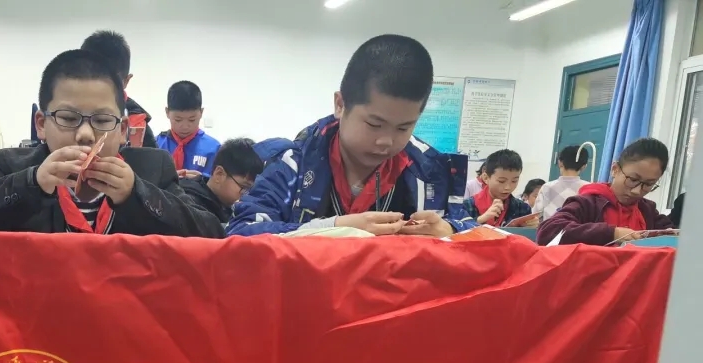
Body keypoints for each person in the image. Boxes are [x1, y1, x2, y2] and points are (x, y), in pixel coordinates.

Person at [0, 49, 223, 238]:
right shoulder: (17, 167)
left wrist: (136, 194)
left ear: (123, 130)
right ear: (41, 124)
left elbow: (211, 232)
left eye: (102, 120)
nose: (86, 134)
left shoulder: (152, 169)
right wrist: (32, 183)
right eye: (68, 118)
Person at [227, 35, 474, 237]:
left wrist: (450, 231)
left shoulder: (432, 172)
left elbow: (475, 230)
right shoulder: (292, 164)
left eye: (403, 128)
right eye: (374, 124)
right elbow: (240, 233)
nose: (386, 141)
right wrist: (332, 229)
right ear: (340, 104)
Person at [537, 137, 675, 246]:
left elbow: (670, 232)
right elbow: (548, 231)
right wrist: (613, 233)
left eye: (648, 184)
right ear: (615, 169)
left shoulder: (646, 210)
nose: (637, 191)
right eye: (633, 179)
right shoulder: (589, 203)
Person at [81, 30, 157, 149]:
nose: (99, 91)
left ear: (126, 81)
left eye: (109, 83)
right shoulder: (57, 115)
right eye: (90, 80)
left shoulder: (139, 124)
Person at [179, 138, 264, 225]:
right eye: (244, 187)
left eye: (251, 190)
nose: (247, 195)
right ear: (219, 174)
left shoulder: (228, 206)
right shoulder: (190, 207)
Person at [157, 81, 221, 178]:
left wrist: (202, 180)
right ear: (167, 112)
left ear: (201, 112)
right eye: (178, 120)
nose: (185, 126)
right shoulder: (156, 145)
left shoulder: (214, 149)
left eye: (192, 120)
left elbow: (221, 182)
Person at [462, 149, 532, 227]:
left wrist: (531, 227)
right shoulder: (467, 206)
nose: (508, 187)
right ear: (486, 178)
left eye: (514, 181)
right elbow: (457, 230)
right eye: (501, 181)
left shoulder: (522, 209)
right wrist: (480, 220)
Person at [533, 145, 589, 221]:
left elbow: (535, 216)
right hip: (578, 228)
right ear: (584, 166)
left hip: (550, 227)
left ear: (559, 162)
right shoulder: (589, 188)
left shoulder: (547, 187)